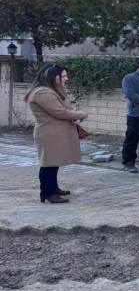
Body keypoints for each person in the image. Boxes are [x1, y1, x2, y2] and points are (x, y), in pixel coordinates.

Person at [25, 65, 89, 204]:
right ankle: (48, 193)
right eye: (63, 76)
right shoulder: (43, 92)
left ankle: (53, 188)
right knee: (48, 164)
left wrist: (75, 115)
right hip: (50, 134)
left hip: (54, 133)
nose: (67, 78)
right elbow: (60, 112)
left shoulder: (52, 90)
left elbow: (65, 109)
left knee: (53, 163)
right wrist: (82, 114)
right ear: (53, 76)